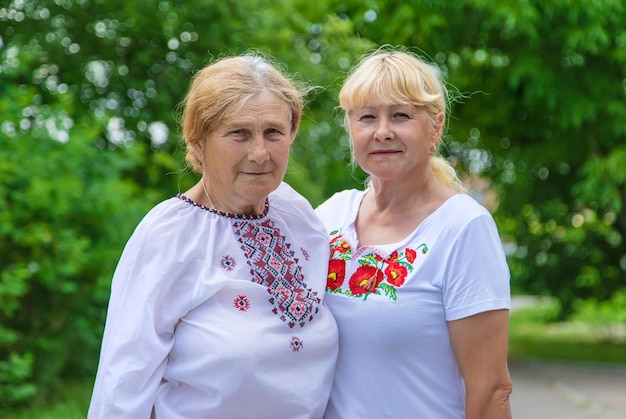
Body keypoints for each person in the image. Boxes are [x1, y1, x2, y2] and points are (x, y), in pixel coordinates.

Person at [88, 53, 338, 418]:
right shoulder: (169, 234)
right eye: (238, 133)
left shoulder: (298, 217)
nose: (259, 153)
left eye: (273, 132)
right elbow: (123, 380)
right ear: (199, 142)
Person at [316, 47, 512, 419]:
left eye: (401, 115)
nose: (383, 131)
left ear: (435, 127)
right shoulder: (330, 216)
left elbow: (491, 390)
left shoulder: (463, 227)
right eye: (367, 117)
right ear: (351, 128)